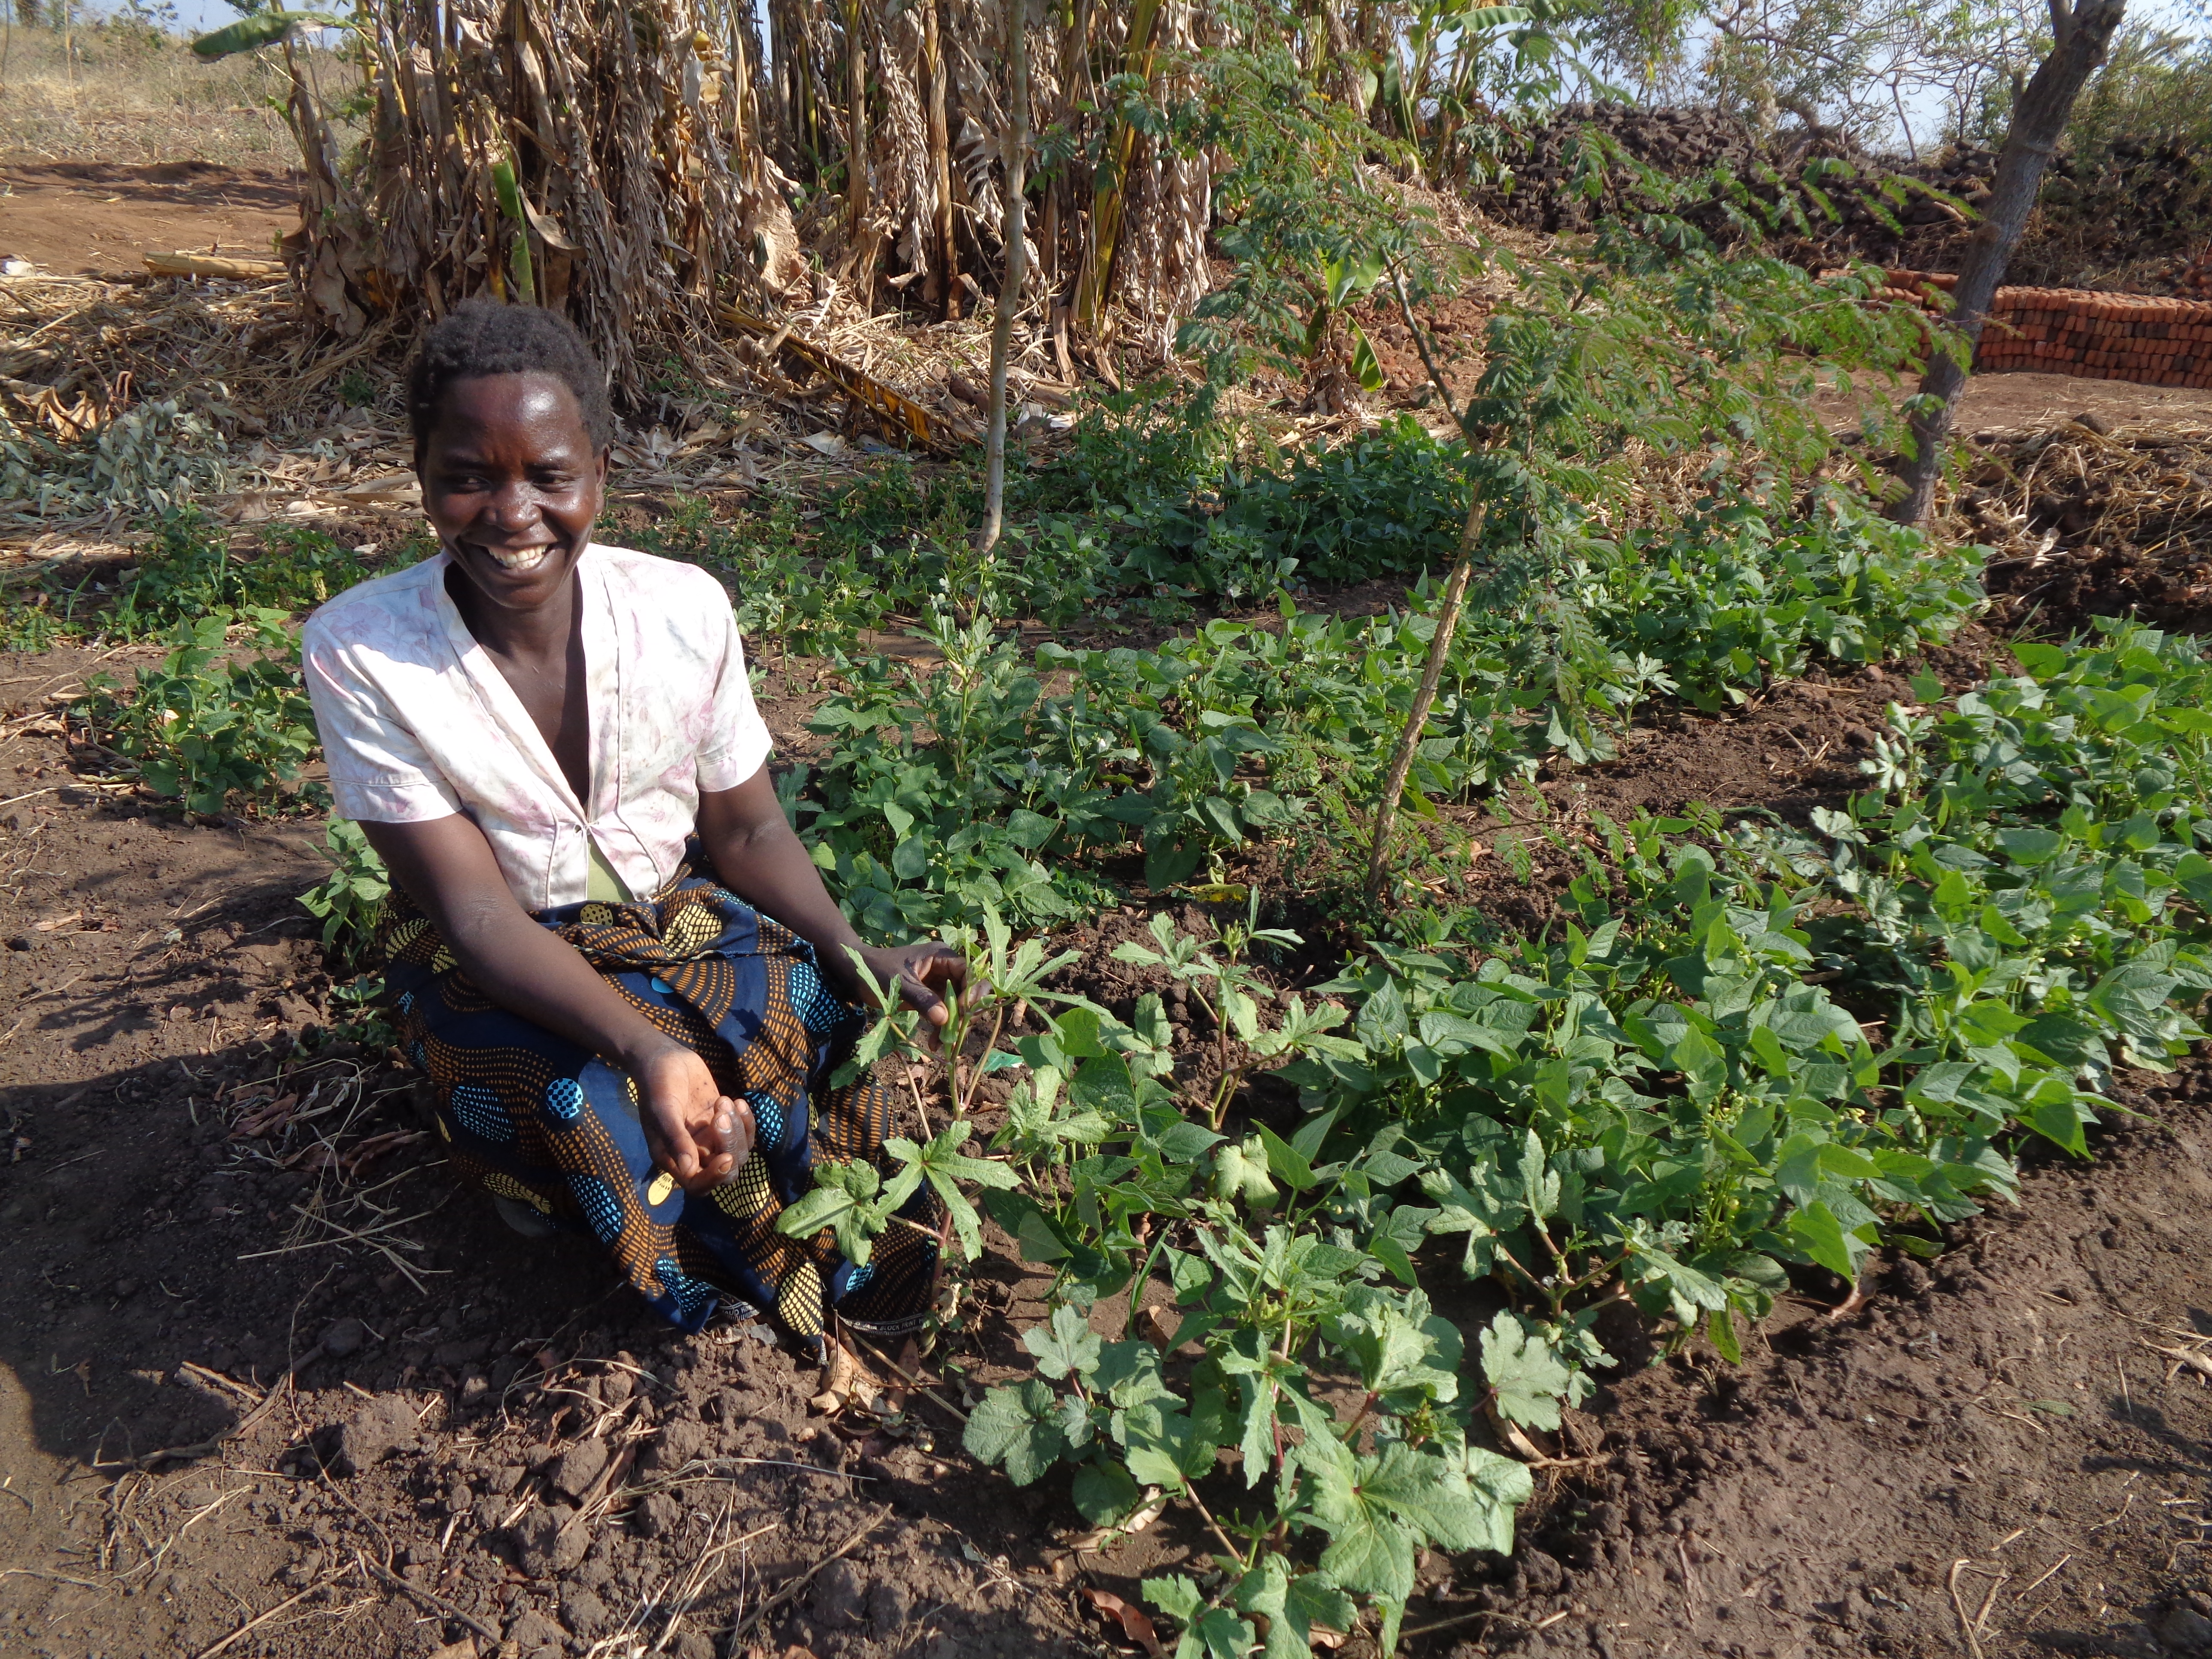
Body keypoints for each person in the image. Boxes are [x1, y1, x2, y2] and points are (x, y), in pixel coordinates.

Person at [301, 299, 965, 1346]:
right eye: (468, 476)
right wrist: (648, 1047)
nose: (511, 513)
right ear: (424, 482)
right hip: (499, 950)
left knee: (814, 1016)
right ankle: (612, 1234)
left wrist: (858, 950)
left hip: (674, 916)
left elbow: (743, 834)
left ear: (599, 474)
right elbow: (474, 913)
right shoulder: (363, 649)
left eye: (548, 476)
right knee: (580, 1099)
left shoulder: (682, 611)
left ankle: (820, 1257)